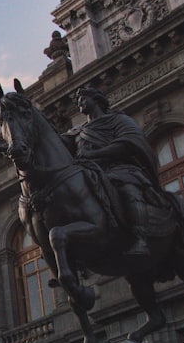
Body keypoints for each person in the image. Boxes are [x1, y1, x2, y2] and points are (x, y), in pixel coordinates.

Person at [62, 86, 161, 258]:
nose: (80, 103)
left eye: (84, 99)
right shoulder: (77, 132)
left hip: (120, 169)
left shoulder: (118, 120)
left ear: (97, 100)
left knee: (129, 190)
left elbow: (128, 143)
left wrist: (94, 154)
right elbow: (57, 143)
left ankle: (140, 238)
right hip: (92, 175)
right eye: (78, 101)